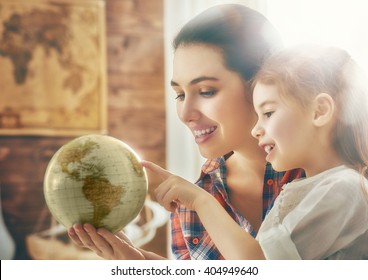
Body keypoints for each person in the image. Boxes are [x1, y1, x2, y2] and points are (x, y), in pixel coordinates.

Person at [67, 4, 303, 260]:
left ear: (261, 84)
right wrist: (139, 263)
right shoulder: (193, 202)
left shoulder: (320, 172)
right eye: (179, 94)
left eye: (206, 91)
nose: (185, 113)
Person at [149, 44, 368, 259]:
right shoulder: (308, 189)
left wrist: (201, 201)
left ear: (320, 111)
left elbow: (258, 265)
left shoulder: (345, 190)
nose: (256, 130)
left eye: (269, 113)